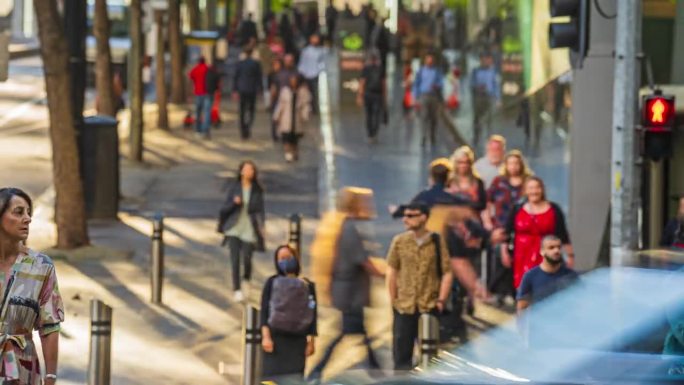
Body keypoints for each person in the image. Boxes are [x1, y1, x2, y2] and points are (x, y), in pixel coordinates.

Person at [308, 187, 385, 379]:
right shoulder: (349, 229)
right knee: (348, 333)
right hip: (350, 293)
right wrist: (385, 272)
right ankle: (318, 371)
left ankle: (375, 370)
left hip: (347, 291)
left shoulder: (345, 225)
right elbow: (362, 260)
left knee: (353, 332)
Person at [0, 187, 64, 385]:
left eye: (29, 213)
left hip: (23, 371)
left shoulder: (41, 266)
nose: (27, 218)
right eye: (19, 212)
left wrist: (51, 376)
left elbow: (50, 326)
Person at [387, 202, 452, 370]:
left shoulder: (436, 241)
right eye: (404, 216)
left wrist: (441, 300)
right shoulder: (399, 241)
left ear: (423, 217)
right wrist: (394, 299)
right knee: (401, 357)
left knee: (429, 359)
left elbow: (447, 271)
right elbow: (392, 271)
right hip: (404, 307)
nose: (405, 219)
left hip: (428, 306)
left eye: (410, 216)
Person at [502, 176, 574, 289]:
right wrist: (504, 252)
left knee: (547, 287)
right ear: (526, 190)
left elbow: (563, 234)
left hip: (546, 255)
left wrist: (570, 256)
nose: (534, 191)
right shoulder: (517, 208)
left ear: (542, 190)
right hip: (522, 255)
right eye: (530, 188)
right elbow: (507, 232)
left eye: (537, 188)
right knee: (523, 289)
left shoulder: (554, 209)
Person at [260, 245, 317, 381]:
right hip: (275, 340)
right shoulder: (271, 282)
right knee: (270, 381)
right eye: (282, 258)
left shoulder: (307, 285)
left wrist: (311, 341)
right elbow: (264, 311)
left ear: (295, 259)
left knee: (294, 380)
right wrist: (266, 337)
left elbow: (313, 312)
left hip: (298, 342)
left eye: (288, 257)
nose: (285, 261)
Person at [485, 150, 532, 302]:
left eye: (516, 163)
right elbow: (487, 202)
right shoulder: (499, 182)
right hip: (501, 224)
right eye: (510, 163)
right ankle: (498, 291)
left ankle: (516, 291)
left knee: (519, 258)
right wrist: (488, 222)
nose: (513, 166)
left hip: (522, 227)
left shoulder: (528, 182)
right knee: (500, 256)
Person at [217, 161, 266, 302]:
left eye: (251, 169)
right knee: (235, 259)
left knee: (247, 258)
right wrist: (234, 203)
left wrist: (262, 227)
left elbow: (260, 210)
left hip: (249, 227)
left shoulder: (257, 189)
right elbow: (224, 208)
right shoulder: (234, 187)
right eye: (246, 169)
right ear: (241, 172)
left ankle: (246, 279)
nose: (248, 172)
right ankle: (236, 289)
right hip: (234, 227)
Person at [516, 235, 578, 312]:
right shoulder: (530, 276)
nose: (556, 251)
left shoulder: (571, 276)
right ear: (542, 251)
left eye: (559, 247)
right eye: (551, 248)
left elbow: (581, 302)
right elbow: (522, 307)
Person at [273, 75, 311, 162]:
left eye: (295, 80)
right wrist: (277, 116)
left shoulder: (302, 92)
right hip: (286, 119)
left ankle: (294, 153)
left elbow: (306, 105)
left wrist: (305, 116)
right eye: (291, 80)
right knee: (286, 138)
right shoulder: (285, 91)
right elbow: (280, 104)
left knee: (295, 140)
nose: (293, 82)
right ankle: (288, 155)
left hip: (297, 120)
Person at [413, 53, 444, 146]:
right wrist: (416, 97)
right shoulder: (421, 71)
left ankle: (432, 136)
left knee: (433, 118)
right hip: (424, 96)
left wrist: (437, 86)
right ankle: (423, 137)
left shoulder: (437, 71)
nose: (430, 61)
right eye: (428, 59)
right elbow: (416, 84)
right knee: (424, 117)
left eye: (431, 59)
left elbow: (441, 83)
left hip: (434, 96)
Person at [470, 52, 501, 146]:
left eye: (488, 59)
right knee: (477, 119)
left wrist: (498, 99)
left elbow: (496, 85)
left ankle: (489, 139)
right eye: (484, 59)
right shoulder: (476, 71)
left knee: (489, 119)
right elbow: (471, 84)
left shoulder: (493, 72)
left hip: (489, 97)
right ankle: (476, 137)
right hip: (479, 97)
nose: (487, 61)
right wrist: (477, 87)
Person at [233, 48, 263, 139]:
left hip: (242, 89)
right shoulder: (256, 64)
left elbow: (236, 77)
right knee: (251, 109)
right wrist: (260, 89)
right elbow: (259, 78)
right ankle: (248, 126)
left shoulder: (240, 64)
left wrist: (234, 89)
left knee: (242, 110)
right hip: (252, 89)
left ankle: (243, 129)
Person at [446, 146, 487, 213]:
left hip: (472, 218)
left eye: (467, 162)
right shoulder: (448, 181)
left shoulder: (478, 181)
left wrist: (467, 204)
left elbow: (482, 204)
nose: (464, 165)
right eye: (460, 162)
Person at [357, 50, 386, 143]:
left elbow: (362, 83)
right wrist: (385, 96)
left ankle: (371, 134)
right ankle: (373, 133)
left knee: (369, 115)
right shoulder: (380, 69)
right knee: (375, 114)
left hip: (369, 94)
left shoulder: (366, 68)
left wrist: (360, 96)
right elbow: (383, 84)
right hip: (376, 94)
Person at [298, 34, 326, 115]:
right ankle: (307, 107)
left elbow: (322, 63)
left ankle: (315, 108)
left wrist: (320, 70)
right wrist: (302, 74)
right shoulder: (306, 51)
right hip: (306, 75)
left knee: (314, 92)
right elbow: (302, 63)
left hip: (315, 74)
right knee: (306, 92)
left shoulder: (321, 51)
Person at [189, 56, 211, 138]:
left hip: (198, 93)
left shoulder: (195, 69)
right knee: (206, 112)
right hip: (207, 93)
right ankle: (205, 130)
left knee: (198, 112)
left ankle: (198, 130)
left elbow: (191, 77)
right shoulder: (207, 68)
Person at [267, 59, 284, 142]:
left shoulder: (283, 74)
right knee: (274, 117)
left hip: (282, 98)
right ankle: (274, 134)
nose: (276, 67)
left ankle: (281, 132)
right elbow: (270, 88)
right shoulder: (271, 75)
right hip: (275, 99)